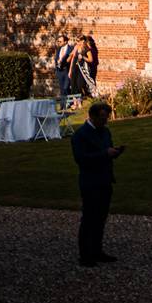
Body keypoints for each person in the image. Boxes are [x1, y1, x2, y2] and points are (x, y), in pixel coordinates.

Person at [71, 102, 123, 267]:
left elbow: (105, 150)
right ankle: (85, 255)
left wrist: (114, 152)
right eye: (102, 118)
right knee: (89, 218)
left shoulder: (105, 131)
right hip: (90, 181)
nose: (105, 121)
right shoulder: (80, 135)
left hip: (105, 179)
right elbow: (82, 159)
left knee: (101, 218)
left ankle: (97, 250)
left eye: (106, 117)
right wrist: (104, 154)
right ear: (92, 117)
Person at [53, 35, 74, 102]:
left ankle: (70, 102)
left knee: (66, 87)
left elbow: (72, 60)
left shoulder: (71, 49)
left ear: (65, 41)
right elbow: (56, 59)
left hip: (67, 70)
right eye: (58, 41)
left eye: (60, 41)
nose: (58, 43)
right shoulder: (59, 49)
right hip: (60, 71)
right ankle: (63, 104)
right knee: (62, 89)